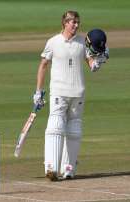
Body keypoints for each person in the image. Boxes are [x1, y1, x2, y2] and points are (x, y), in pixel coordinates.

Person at [33, 10, 109, 181]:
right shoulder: (53, 42)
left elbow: (91, 63)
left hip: (78, 93)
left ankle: (69, 169)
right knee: (55, 125)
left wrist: (97, 64)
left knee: (74, 129)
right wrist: (38, 91)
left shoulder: (83, 42)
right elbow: (43, 65)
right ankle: (51, 167)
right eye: (73, 22)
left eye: (77, 22)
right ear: (64, 23)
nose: (76, 25)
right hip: (59, 92)